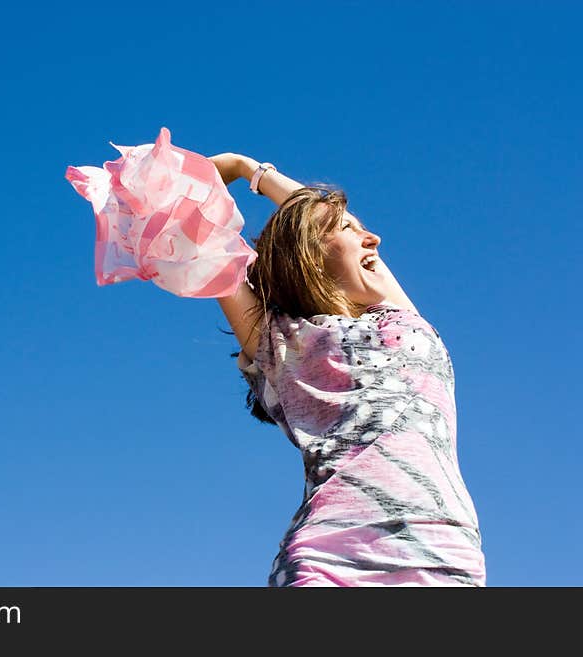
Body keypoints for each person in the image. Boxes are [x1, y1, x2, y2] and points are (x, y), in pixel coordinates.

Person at [208, 153, 486, 586]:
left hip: (442, 553)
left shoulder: (403, 322)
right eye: (348, 231)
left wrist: (252, 171)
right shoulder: (282, 342)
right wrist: (199, 181)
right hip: (328, 560)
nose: (373, 238)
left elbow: (314, 214)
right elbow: (206, 250)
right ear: (310, 258)